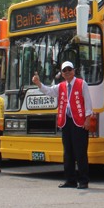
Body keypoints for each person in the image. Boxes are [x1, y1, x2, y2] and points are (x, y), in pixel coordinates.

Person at [32, 61, 93, 189]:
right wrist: (38, 83)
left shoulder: (82, 84)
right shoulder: (60, 86)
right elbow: (48, 91)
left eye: (69, 69)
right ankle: (70, 180)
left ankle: (83, 181)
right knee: (68, 153)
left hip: (79, 122)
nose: (67, 72)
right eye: (64, 70)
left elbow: (88, 102)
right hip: (66, 122)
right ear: (62, 73)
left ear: (74, 70)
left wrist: (88, 119)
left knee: (80, 153)